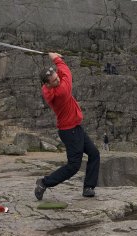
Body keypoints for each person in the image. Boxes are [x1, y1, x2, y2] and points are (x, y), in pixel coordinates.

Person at [35, 52, 100, 200]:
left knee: (94, 154)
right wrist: (56, 58)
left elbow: (61, 73)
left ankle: (88, 187)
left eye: (57, 78)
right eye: (54, 81)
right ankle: (44, 183)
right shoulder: (61, 92)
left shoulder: (48, 88)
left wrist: (55, 66)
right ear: (47, 84)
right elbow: (67, 72)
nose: (58, 80)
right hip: (69, 131)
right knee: (73, 166)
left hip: (74, 128)